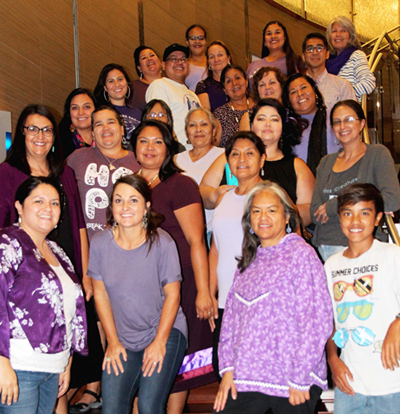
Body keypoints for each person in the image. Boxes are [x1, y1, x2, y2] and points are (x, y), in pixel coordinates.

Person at [213, 181, 333, 414]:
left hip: (292, 380)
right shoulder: (247, 262)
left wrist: (299, 378)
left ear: (287, 216)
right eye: (256, 211)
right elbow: (230, 323)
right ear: (249, 220)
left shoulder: (301, 254)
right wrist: (227, 371)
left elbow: (317, 320)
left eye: (271, 210)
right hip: (245, 377)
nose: (263, 217)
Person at [131, 120, 215, 413]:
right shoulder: (130, 185)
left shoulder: (181, 184)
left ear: (168, 148)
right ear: (135, 147)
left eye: (158, 142)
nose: (150, 148)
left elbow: (196, 241)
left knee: (181, 356)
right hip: (141, 288)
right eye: (144, 141)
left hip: (182, 283)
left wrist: (204, 290)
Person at [88, 174, 187, 414]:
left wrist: (159, 342)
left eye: (133, 200)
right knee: (111, 408)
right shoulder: (100, 243)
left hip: (165, 330)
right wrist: (112, 342)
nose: (125, 207)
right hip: (123, 337)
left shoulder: (162, 242)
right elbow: (100, 294)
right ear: (111, 206)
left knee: (148, 405)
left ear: (146, 207)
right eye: (119, 200)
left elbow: (173, 296)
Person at [0, 176, 87, 414]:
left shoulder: (57, 251)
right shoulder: (7, 243)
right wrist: (1, 364)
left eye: (55, 203)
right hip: (18, 367)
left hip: (53, 369)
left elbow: (68, 310)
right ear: (19, 206)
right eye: (38, 201)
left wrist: (66, 362)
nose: (48, 209)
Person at [324, 184, 400, 413]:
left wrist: (397, 322)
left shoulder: (392, 255)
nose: (355, 221)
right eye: (348, 213)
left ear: (377, 218)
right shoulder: (331, 265)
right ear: (339, 218)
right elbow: (330, 322)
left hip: (392, 382)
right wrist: (332, 359)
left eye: (364, 213)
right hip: (350, 384)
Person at [310, 100, 400, 262]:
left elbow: (392, 199)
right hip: (327, 247)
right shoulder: (326, 162)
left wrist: (334, 206)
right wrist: (368, 202)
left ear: (362, 124)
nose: (342, 126)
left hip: (366, 247)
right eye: (337, 122)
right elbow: (315, 214)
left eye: (349, 119)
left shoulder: (377, 155)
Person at [200, 99, 314, 226]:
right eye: (261, 119)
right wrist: (216, 195)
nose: (268, 124)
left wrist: (282, 209)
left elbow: (310, 211)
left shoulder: (297, 165)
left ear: (283, 126)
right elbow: (203, 191)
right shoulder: (231, 156)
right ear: (252, 125)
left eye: (274, 119)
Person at [209, 131, 265, 378]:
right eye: (235, 154)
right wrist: (210, 293)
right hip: (226, 302)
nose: (242, 158)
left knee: (255, 374)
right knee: (225, 370)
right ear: (228, 161)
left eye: (250, 153)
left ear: (262, 160)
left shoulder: (271, 196)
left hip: (260, 303)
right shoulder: (224, 198)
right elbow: (215, 249)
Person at [67, 106, 140, 243]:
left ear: (122, 129)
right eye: (99, 124)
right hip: (86, 245)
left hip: (128, 245)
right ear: (93, 133)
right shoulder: (78, 158)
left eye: (110, 122)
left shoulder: (138, 162)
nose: (105, 128)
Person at [175, 108, 225, 234]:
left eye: (204, 124)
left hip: (213, 231)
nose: (198, 129)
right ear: (186, 133)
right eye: (192, 125)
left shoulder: (225, 156)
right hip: (181, 229)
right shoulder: (176, 159)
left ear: (213, 131)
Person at [146, 44, 201, 149]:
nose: (179, 62)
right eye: (173, 59)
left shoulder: (193, 95)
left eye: (183, 59)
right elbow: (158, 125)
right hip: (175, 152)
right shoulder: (160, 85)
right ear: (163, 65)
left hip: (195, 154)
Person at [283, 73, 338, 175]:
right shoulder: (285, 126)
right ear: (289, 102)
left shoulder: (335, 116)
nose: (300, 93)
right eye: (293, 92)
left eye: (304, 87)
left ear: (315, 92)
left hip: (338, 182)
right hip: (298, 185)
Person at [302, 32, 356, 110]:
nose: (315, 52)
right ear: (303, 56)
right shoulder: (296, 87)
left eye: (319, 48)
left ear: (327, 54)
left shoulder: (343, 86)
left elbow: (352, 116)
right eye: (310, 49)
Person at [326, 16, 376, 101]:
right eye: (334, 31)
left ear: (350, 36)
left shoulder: (357, 55)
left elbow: (368, 82)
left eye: (343, 30)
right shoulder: (326, 61)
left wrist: (343, 96)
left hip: (348, 110)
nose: (338, 34)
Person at [94, 63, 142, 147]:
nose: (117, 84)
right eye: (111, 81)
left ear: (127, 83)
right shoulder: (100, 114)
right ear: (105, 87)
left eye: (120, 79)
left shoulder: (138, 113)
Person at [247, 21, 305, 87]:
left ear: (285, 37)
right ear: (264, 42)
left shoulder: (295, 61)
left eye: (277, 32)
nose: (273, 36)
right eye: (269, 34)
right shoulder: (254, 64)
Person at [213, 65, 254, 147]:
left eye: (238, 78)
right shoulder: (220, 114)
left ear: (246, 82)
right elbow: (213, 146)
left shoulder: (260, 106)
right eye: (228, 81)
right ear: (224, 90)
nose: (234, 83)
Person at [239, 66, 286, 130]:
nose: (267, 87)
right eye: (262, 85)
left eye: (272, 82)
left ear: (281, 85)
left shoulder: (292, 114)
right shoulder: (249, 119)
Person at [59, 88, 97, 158]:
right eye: (75, 108)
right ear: (69, 113)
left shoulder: (104, 137)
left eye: (87, 107)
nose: (81, 112)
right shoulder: (60, 141)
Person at [195, 40, 231, 112]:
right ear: (208, 62)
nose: (216, 60)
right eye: (212, 57)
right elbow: (207, 116)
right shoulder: (203, 86)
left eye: (220, 55)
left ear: (228, 58)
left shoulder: (239, 82)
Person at [129, 46, 163, 112]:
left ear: (160, 62)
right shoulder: (132, 87)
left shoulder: (171, 84)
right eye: (144, 58)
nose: (149, 59)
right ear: (139, 68)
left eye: (152, 55)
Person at [185, 25, 208, 92]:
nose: (197, 41)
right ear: (187, 42)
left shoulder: (213, 62)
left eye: (201, 38)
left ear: (205, 41)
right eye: (193, 38)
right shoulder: (183, 65)